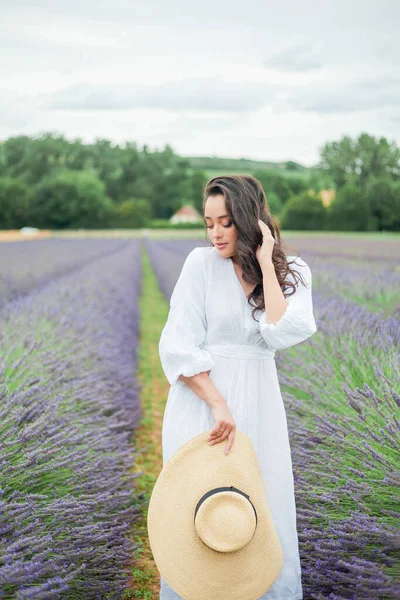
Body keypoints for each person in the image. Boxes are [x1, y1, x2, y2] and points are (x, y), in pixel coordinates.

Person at [158, 174, 318, 600]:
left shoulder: (292, 271)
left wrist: (267, 263)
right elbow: (178, 347)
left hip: (260, 405)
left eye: (224, 222)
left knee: (259, 507)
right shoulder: (200, 265)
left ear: (249, 220)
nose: (214, 233)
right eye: (208, 222)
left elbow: (281, 332)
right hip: (203, 404)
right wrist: (218, 405)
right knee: (201, 508)